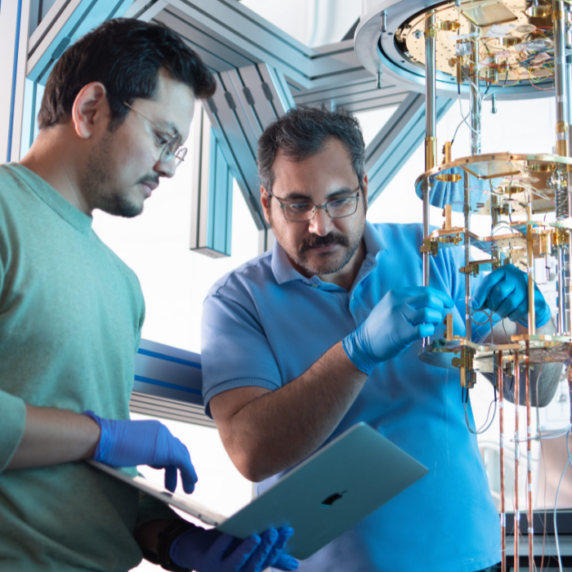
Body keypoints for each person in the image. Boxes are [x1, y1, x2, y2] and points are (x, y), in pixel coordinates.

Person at [200, 106, 562, 571]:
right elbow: (251, 452)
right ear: (267, 203)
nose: (321, 225)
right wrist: (356, 354)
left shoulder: (434, 254)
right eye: (298, 205)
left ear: (364, 189)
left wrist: (536, 326)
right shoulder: (237, 301)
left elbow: (536, 389)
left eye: (338, 199)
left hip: (469, 557)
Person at [0, 18, 297, 572]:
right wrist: (104, 436)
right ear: (90, 109)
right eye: (162, 138)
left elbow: (96, 469)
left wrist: (174, 541)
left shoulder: (122, 285)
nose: (167, 166)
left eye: (177, 150)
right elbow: (96, 440)